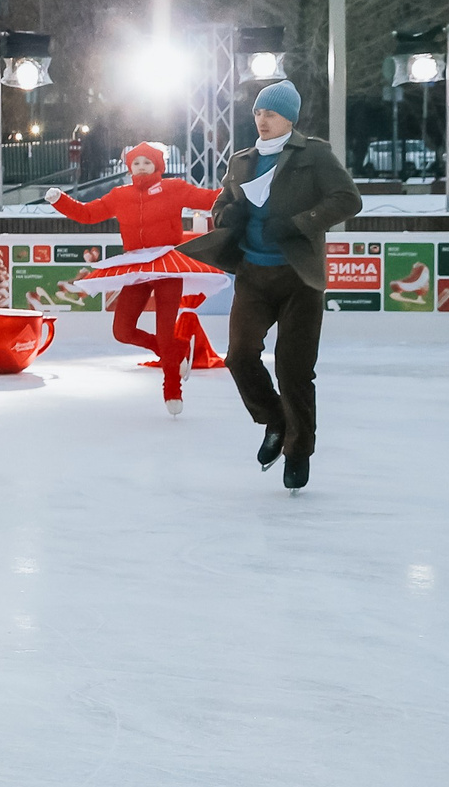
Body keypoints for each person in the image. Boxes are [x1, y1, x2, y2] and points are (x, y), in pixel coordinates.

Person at [183, 79, 364, 492]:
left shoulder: (314, 153)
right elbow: (221, 204)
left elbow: (347, 199)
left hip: (299, 276)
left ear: (290, 119)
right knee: (240, 356)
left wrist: (302, 223)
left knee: (294, 369)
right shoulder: (241, 160)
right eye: (259, 113)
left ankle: (299, 452)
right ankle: (275, 421)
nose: (262, 120)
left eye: (272, 114)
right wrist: (227, 216)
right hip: (252, 274)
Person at [47, 141, 220, 413]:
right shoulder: (120, 195)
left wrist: (238, 187)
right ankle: (176, 350)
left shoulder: (174, 188)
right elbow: (89, 213)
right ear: (129, 167)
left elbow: (210, 199)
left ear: (157, 166)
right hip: (136, 265)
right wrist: (61, 200)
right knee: (122, 331)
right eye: (136, 163)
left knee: (165, 331)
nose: (141, 167)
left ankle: (172, 389)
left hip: (166, 264)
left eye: (146, 162)